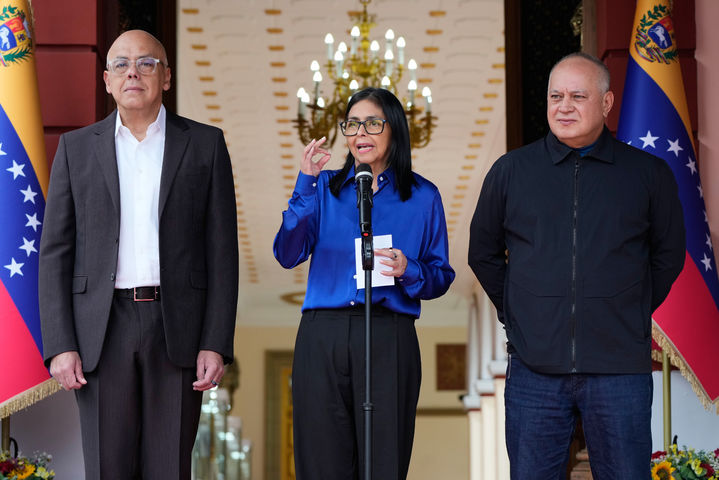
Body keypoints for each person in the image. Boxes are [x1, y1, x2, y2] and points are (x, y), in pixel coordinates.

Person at [468, 52, 686, 478]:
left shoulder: (648, 174)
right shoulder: (511, 171)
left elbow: (669, 255)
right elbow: (483, 253)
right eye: (556, 96)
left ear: (606, 103)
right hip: (534, 370)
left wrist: (629, 308)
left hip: (619, 368)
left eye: (577, 96)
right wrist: (519, 312)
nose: (564, 106)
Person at [39, 30, 238, 479]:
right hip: (101, 329)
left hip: (178, 328)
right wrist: (60, 345)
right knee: (107, 467)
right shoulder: (75, 149)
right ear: (107, 79)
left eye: (147, 63)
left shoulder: (205, 145)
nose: (134, 72)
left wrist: (215, 342)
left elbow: (222, 252)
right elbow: (55, 252)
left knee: (169, 468)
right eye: (122, 64)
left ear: (166, 77)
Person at [274, 87, 455, 479]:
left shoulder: (423, 196)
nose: (360, 133)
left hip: (390, 335)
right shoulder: (323, 188)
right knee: (321, 464)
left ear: (395, 130)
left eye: (373, 123)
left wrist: (409, 269)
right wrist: (305, 184)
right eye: (353, 124)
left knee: (383, 463)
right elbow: (287, 253)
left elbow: (441, 276)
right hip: (323, 335)